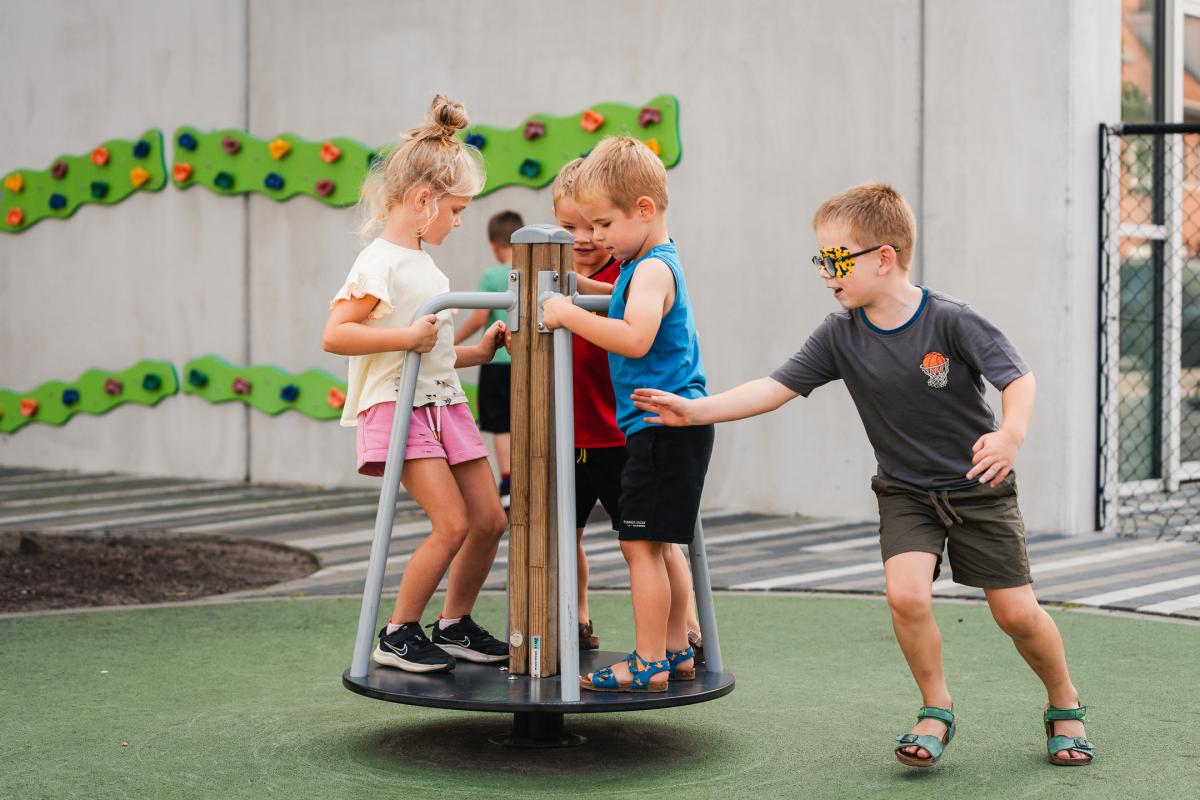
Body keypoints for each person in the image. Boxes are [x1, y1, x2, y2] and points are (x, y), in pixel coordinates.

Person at [631, 182, 1094, 766]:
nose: (827, 272)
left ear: (884, 257)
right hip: (905, 490)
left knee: (1016, 614)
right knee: (905, 595)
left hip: (978, 488)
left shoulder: (951, 320)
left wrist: (1011, 434)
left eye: (836, 259)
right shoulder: (839, 333)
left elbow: (1018, 378)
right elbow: (773, 389)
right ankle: (936, 709)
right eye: (821, 259)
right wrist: (694, 408)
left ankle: (1064, 702)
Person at [321, 95, 509, 674]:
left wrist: (482, 349)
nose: (459, 222)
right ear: (423, 200)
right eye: (455, 210)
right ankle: (398, 632)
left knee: (490, 519)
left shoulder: (426, 262)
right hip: (398, 408)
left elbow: (436, 353)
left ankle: (452, 625)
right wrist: (406, 338)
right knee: (451, 522)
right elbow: (336, 334)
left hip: (443, 402)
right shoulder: (378, 262)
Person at [542, 136, 711, 691]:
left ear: (643, 209)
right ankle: (672, 653)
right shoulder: (648, 264)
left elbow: (634, 338)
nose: (593, 238)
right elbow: (619, 302)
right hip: (664, 429)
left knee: (641, 547)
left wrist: (565, 313)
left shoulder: (650, 272)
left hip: (658, 429)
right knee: (656, 545)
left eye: (602, 225)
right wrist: (576, 289)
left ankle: (648, 662)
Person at [455, 210, 524, 505]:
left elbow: (478, 318)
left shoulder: (492, 275)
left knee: (500, 425)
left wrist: (451, 341)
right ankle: (527, 479)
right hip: (524, 362)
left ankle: (508, 484)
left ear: (493, 244)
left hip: (497, 363)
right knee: (524, 420)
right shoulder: (529, 271)